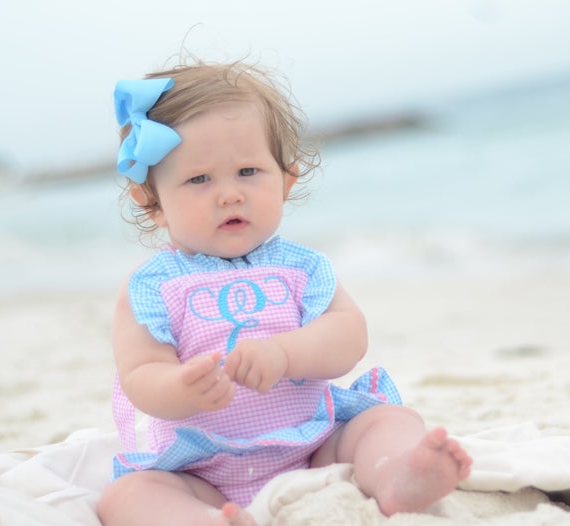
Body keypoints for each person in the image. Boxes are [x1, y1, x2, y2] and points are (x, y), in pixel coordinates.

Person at [97, 60, 472, 526]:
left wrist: (286, 353)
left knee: (388, 421)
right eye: (199, 179)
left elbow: (348, 334)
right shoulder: (152, 287)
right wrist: (181, 387)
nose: (229, 194)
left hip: (315, 442)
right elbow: (140, 375)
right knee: (127, 496)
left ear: (286, 181)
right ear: (153, 203)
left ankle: (396, 474)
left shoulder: (301, 268)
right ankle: (204, 519)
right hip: (201, 466)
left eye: (248, 171)